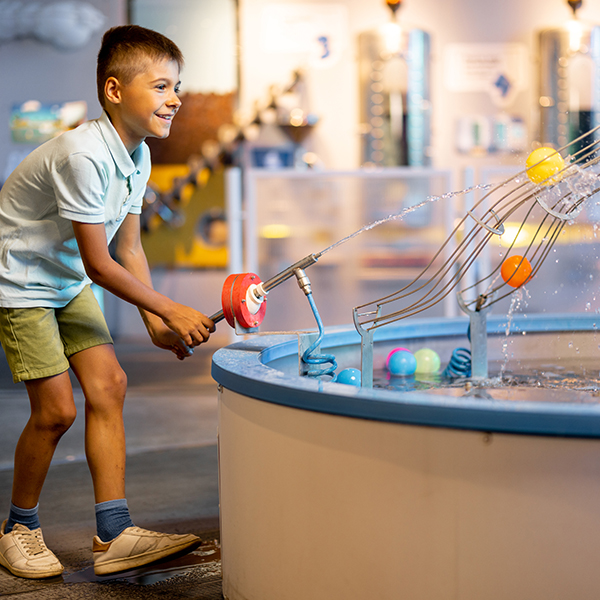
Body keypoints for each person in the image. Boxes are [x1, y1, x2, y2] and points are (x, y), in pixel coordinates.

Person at [0, 25, 215, 579]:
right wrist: (170, 307)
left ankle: (115, 535)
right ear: (115, 91)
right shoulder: (83, 154)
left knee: (110, 384)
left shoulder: (136, 154)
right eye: (162, 85)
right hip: (23, 283)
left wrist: (153, 322)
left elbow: (129, 247)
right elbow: (102, 264)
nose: (176, 98)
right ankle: (17, 529)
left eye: (178, 86)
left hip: (66, 278)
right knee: (56, 411)